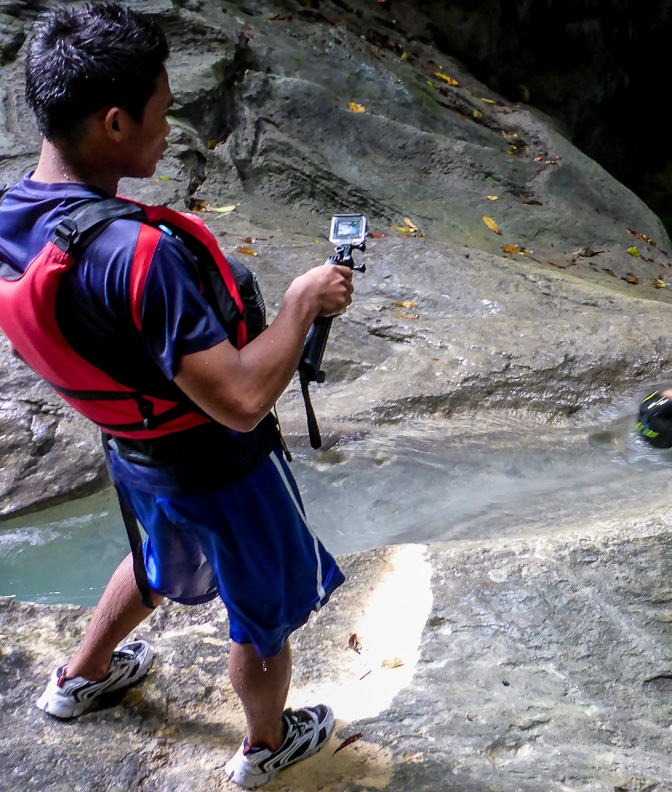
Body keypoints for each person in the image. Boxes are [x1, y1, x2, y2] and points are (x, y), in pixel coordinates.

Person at [0, 5, 352, 787]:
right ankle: (268, 745)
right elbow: (240, 401)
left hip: (135, 452)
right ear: (115, 122)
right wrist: (301, 303)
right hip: (220, 464)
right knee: (264, 616)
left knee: (156, 556)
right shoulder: (138, 257)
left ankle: (81, 678)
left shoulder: (11, 216)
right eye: (163, 113)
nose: (173, 126)